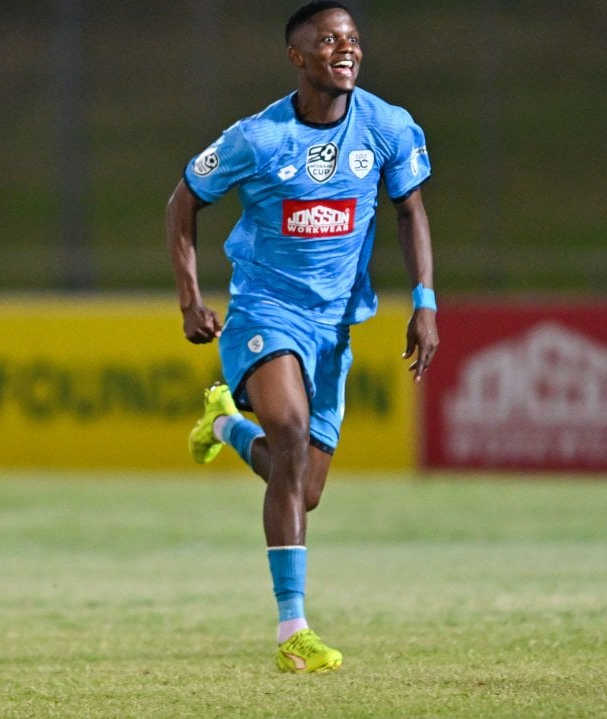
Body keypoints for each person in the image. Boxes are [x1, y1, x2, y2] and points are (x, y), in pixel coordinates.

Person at [165, 1, 438, 673]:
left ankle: (225, 426)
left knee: (303, 485)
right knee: (287, 435)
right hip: (265, 310)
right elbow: (182, 204)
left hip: (336, 324)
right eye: (327, 41)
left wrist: (425, 300)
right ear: (298, 57)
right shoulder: (258, 139)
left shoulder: (389, 126)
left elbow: (410, 209)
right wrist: (191, 300)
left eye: (351, 39)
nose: (345, 49)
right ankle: (294, 629)